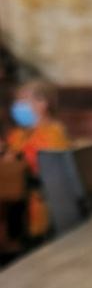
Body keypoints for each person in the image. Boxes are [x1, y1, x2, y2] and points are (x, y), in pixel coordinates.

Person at [3, 79, 69, 240]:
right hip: (15, 194)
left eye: (23, 101)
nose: (17, 107)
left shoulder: (54, 133)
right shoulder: (20, 133)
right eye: (17, 102)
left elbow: (44, 166)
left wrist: (14, 157)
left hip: (39, 199)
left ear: (43, 103)